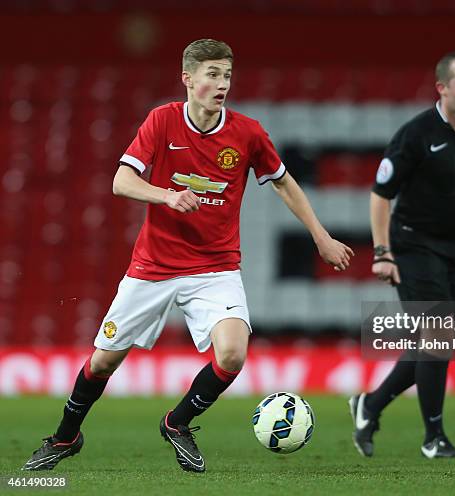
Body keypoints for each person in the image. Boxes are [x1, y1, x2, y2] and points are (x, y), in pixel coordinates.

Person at [23, 38, 353, 473]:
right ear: (188, 78)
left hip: (215, 268)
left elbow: (284, 182)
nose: (221, 84)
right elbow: (122, 182)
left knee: (233, 354)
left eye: (227, 76)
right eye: (212, 75)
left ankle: (177, 423)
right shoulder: (162, 121)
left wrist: (321, 237)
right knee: (104, 359)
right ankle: (66, 436)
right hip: (153, 267)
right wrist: (166, 196)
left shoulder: (247, 133)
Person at [349, 51, 455, 459]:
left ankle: (369, 405)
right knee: (439, 331)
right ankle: (433, 438)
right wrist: (382, 252)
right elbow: (380, 195)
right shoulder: (416, 134)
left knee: (439, 338)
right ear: (442, 88)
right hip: (412, 242)